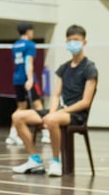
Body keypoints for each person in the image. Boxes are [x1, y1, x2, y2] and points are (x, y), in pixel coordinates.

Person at [11, 24, 98, 177]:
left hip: (76, 114)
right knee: (18, 116)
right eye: (70, 40)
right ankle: (35, 159)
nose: (73, 43)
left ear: (84, 42)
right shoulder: (63, 68)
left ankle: (55, 161)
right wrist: (51, 112)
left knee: (52, 120)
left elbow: (85, 101)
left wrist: (59, 112)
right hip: (59, 111)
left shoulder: (89, 68)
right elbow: (56, 95)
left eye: (76, 40)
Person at [6, 23, 49, 146]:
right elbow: (28, 62)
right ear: (28, 31)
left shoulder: (15, 45)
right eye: (32, 31)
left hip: (17, 79)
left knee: (21, 108)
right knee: (38, 105)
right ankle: (46, 135)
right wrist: (30, 79)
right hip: (28, 79)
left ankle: (12, 135)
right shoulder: (30, 45)